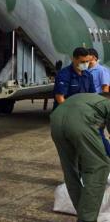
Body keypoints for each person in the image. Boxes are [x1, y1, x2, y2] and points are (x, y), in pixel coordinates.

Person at [50, 92, 110, 222]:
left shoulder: (87, 98)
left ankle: (82, 211)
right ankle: (86, 218)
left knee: (71, 170)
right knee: (99, 167)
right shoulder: (107, 103)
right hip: (79, 122)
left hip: (55, 121)